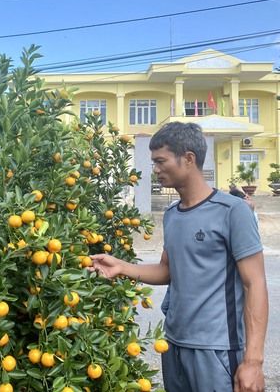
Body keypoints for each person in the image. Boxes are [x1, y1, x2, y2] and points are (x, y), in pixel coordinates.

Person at [89, 121, 268, 392]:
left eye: (160, 161)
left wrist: (253, 361)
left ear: (188, 159)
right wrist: (121, 267)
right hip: (173, 343)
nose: (155, 170)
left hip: (218, 348)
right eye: (153, 163)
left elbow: (254, 284)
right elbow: (168, 271)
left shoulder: (232, 211)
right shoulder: (172, 213)